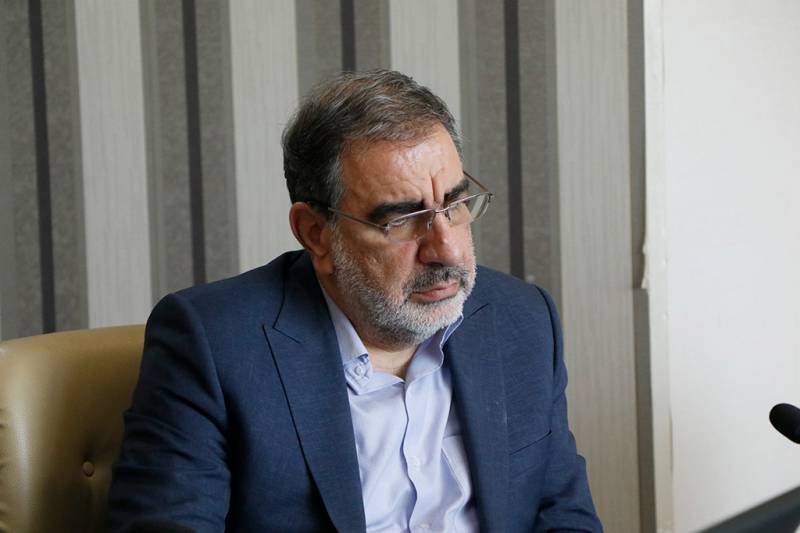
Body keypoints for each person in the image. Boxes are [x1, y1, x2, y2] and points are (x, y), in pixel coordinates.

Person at [108, 69, 602, 533]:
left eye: (454, 204)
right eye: (402, 220)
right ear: (316, 233)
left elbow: (563, 516)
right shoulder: (213, 344)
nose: (448, 250)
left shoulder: (523, 320)